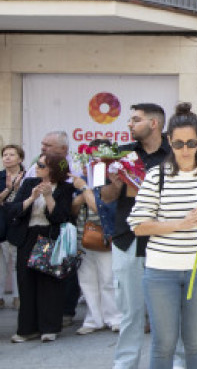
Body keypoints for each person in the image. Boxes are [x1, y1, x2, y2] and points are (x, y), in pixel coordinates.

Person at [129, 103, 197, 369]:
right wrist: (181, 223)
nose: (185, 150)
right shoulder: (156, 176)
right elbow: (139, 225)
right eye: (178, 144)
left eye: (190, 143)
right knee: (163, 344)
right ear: (169, 141)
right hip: (161, 271)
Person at [102, 102, 171, 369]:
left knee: (167, 311)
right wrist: (117, 182)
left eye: (135, 120)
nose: (129, 124)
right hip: (127, 238)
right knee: (130, 311)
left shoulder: (175, 154)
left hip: (163, 238)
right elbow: (106, 198)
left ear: (154, 123)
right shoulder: (121, 154)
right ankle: (125, 364)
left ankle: (173, 362)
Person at [5, 152, 73, 342]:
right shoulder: (28, 184)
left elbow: (60, 217)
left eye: (42, 166)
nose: (37, 167)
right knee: (25, 282)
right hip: (27, 236)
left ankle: (49, 327)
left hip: (47, 235)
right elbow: (13, 209)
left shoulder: (64, 188)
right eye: (37, 164)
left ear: (52, 169)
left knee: (48, 281)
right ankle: (27, 329)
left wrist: (49, 197)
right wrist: (31, 198)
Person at [73, 139, 121, 336]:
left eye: (96, 158)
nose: (91, 163)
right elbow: (73, 207)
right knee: (86, 280)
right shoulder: (82, 179)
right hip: (82, 236)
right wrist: (83, 191)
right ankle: (93, 319)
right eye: (89, 159)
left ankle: (114, 317)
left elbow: (99, 208)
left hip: (104, 236)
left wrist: (85, 190)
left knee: (109, 279)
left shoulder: (112, 180)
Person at [0, 144, 26, 310]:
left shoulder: (27, 176)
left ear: (20, 158)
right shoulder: (0, 177)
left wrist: (18, 189)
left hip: (20, 222)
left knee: (18, 261)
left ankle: (18, 296)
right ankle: (0, 297)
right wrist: (8, 190)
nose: (7, 157)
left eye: (11, 154)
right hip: (2, 222)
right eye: (5, 155)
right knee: (1, 263)